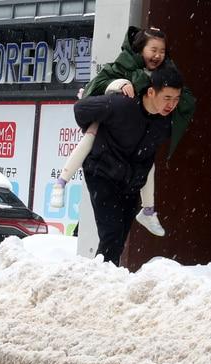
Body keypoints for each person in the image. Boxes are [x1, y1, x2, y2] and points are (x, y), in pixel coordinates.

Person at [50, 26, 197, 237]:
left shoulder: (168, 73)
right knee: (91, 137)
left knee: (148, 162)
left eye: (162, 51)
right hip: (110, 128)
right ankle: (61, 183)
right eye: (153, 49)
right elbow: (95, 89)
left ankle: (148, 210)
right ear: (139, 49)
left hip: (136, 152)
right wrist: (120, 85)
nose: (158, 56)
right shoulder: (123, 65)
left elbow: (186, 98)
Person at [74, 64, 182, 267]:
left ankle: (103, 276)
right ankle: (101, 282)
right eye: (167, 98)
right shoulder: (121, 105)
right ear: (151, 92)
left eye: (176, 99)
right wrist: (94, 138)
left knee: (119, 238)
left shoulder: (164, 124)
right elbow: (80, 109)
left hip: (131, 183)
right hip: (102, 174)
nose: (171, 104)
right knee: (112, 234)